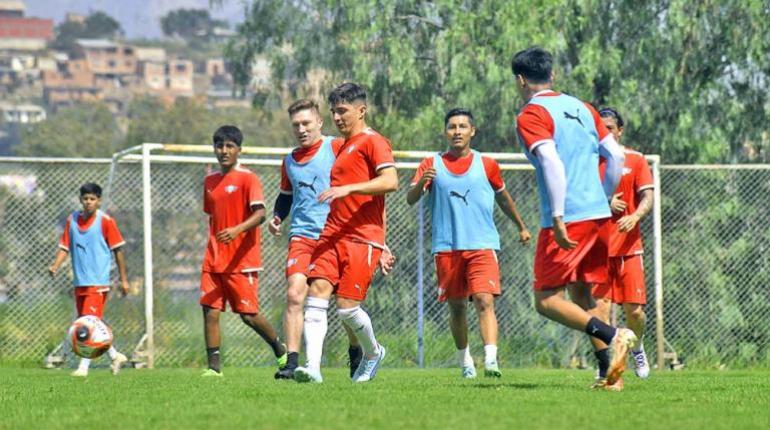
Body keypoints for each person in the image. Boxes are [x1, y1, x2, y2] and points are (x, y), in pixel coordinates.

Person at [512, 46, 636, 387]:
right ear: (552, 75)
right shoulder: (583, 108)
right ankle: (608, 374)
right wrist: (604, 196)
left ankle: (614, 335)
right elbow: (615, 155)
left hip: (568, 218)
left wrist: (558, 214)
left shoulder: (531, 114)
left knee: (547, 300)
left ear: (520, 80)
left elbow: (551, 162)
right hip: (598, 214)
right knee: (584, 295)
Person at [406, 108, 531, 379]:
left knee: (485, 300)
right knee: (457, 307)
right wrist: (421, 185)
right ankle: (465, 361)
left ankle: (491, 360)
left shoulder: (487, 165)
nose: (457, 131)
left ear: (472, 131)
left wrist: (521, 225)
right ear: (445, 132)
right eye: (452, 127)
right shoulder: (431, 163)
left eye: (463, 126)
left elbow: (504, 198)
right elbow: (410, 198)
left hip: (482, 245)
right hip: (447, 247)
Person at [294, 83, 397, 384]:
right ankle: (312, 368)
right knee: (317, 293)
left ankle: (374, 352)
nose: (337, 117)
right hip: (332, 234)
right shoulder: (341, 146)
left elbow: (390, 182)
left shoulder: (375, 142)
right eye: (334, 111)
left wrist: (380, 241)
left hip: (362, 238)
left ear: (361, 110)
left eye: (343, 111)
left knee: (347, 310)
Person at [269, 99, 362, 380]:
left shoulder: (337, 147)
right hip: (303, 236)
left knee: (345, 304)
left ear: (319, 123)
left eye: (306, 123)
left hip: (338, 235)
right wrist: (276, 217)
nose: (301, 129)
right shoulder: (290, 160)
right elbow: (286, 196)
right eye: (296, 125)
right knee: (295, 293)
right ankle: (292, 363)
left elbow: (358, 183)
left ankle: (356, 350)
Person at [199, 125, 286, 377]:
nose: (223, 151)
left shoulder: (249, 178)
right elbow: (212, 215)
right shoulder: (210, 181)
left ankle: (279, 350)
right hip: (214, 259)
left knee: (248, 316)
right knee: (210, 311)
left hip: (242, 261)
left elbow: (260, 214)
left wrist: (237, 230)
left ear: (239, 150)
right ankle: (213, 369)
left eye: (229, 146)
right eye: (219, 146)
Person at [589, 107, 654, 388]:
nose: (606, 132)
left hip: (630, 249)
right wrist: (603, 203)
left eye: (610, 128)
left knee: (635, 312)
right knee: (597, 314)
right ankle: (605, 365)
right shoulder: (589, 161)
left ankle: (637, 347)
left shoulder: (636, 160)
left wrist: (635, 215)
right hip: (597, 250)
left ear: (620, 130)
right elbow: (576, 202)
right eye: (601, 128)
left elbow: (648, 197)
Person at [48, 182, 130, 377]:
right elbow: (64, 246)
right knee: (87, 322)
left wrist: (124, 280)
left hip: (98, 282)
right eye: (85, 198)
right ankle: (115, 356)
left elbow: (118, 250)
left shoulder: (106, 221)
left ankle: (83, 368)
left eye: (92, 199)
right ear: (80, 200)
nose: (88, 202)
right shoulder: (72, 220)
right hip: (80, 282)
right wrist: (55, 265)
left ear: (99, 201)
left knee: (87, 325)